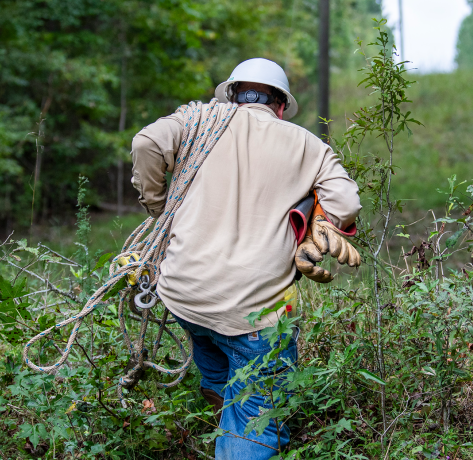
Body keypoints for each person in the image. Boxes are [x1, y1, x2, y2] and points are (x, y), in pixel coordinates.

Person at [129, 58, 361, 459]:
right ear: (281, 105)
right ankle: (246, 437)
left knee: (213, 350)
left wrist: (157, 206)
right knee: (255, 417)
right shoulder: (306, 144)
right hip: (250, 313)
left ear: (232, 95)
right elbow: (347, 203)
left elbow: (145, 143)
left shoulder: (197, 121)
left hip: (184, 295)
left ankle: (224, 403)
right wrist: (313, 219)